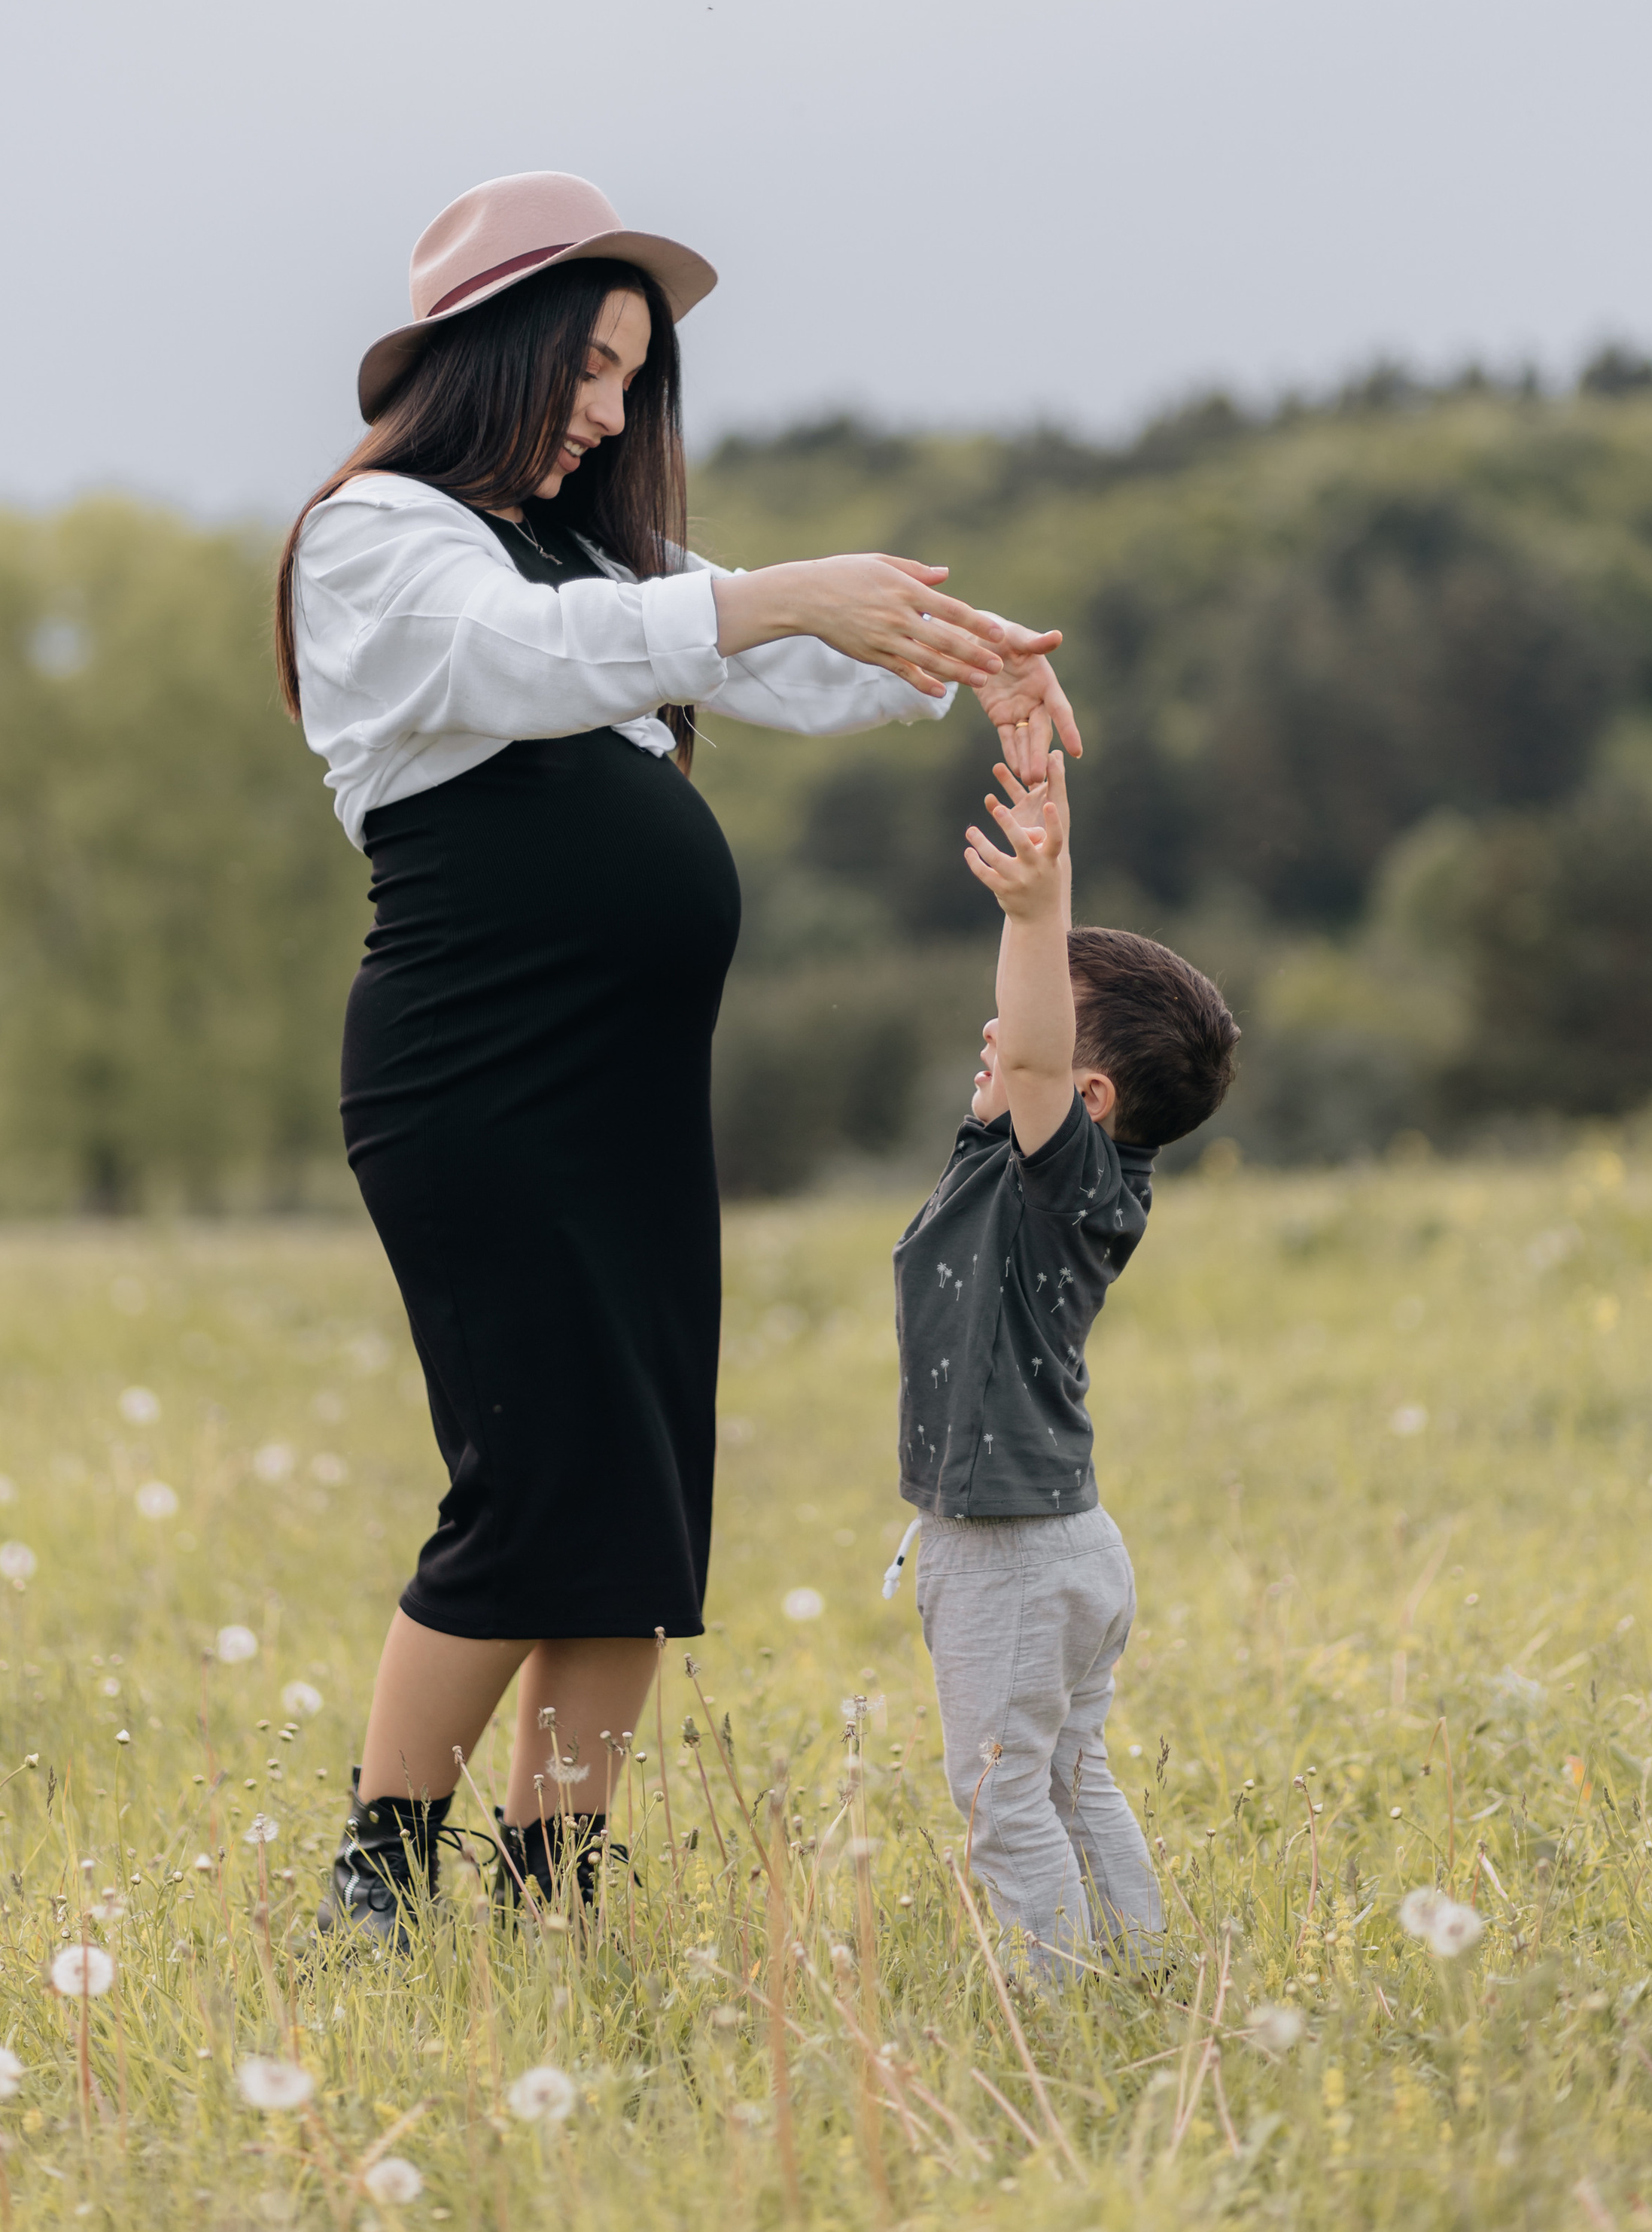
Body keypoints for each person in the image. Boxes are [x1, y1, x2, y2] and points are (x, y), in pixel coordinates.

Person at [275, 169, 1082, 1939]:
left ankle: (551, 1897)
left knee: (639, 1494)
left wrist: (970, 658)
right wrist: (771, 592)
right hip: (476, 1077)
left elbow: (795, 659)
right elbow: (530, 655)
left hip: (627, 1089)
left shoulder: (600, 558)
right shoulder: (378, 539)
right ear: (492, 350)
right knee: (528, 1477)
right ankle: (376, 1884)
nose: (607, 408)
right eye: (587, 365)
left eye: (631, 378)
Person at [892, 747, 1238, 1976]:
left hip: (1014, 1549)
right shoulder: (1012, 1160)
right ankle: (1139, 1970)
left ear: (1087, 1096)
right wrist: (1054, 858)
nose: (1000, 1024)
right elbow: (1034, 1055)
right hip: (1057, 1539)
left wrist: (1036, 910)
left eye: (1031, 1006)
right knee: (1065, 1773)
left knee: (1002, 1796)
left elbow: (1035, 1054)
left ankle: (1060, 2005)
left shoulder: (1071, 1188)